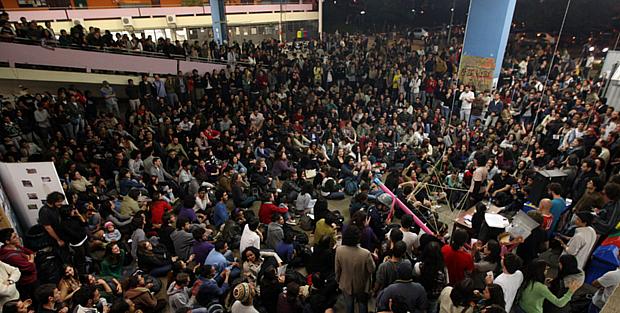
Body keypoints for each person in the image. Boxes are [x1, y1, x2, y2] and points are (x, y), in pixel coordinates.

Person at [335, 225, 375, 313]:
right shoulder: (365, 253)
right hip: (362, 284)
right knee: (362, 305)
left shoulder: (339, 250)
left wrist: (338, 280)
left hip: (345, 283)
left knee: (349, 306)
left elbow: (337, 269)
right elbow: (371, 269)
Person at [516, 259, 581, 313]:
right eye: (546, 269)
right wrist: (570, 292)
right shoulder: (541, 288)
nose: (548, 269)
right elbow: (559, 303)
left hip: (520, 308)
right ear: (540, 271)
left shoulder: (527, 279)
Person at [0, 228, 37, 299]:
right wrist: (31, 258)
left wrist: (30, 257)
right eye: (14, 237)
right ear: (7, 241)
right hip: (28, 282)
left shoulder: (15, 247)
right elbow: (30, 267)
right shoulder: (12, 257)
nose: (17, 237)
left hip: (32, 278)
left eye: (16, 235)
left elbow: (30, 252)